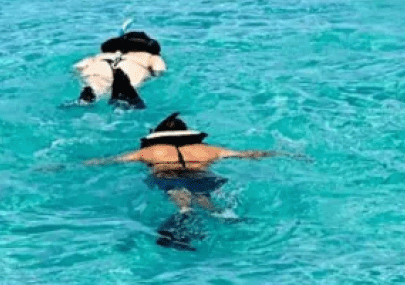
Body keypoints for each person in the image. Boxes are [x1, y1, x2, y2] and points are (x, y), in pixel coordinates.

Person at [85, 113, 280, 248]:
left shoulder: (151, 151)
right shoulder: (208, 149)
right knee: (203, 197)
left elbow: (109, 161)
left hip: (167, 175)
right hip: (202, 176)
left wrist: (73, 165)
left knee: (178, 193)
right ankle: (224, 215)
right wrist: (284, 153)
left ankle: (185, 212)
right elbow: (249, 154)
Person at [73, 30, 166, 108]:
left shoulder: (100, 55)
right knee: (129, 103)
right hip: (127, 72)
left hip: (99, 68)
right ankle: (122, 92)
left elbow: (78, 67)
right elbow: (159, 71)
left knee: (96, 88)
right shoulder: (151, 57)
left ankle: (91, 92)